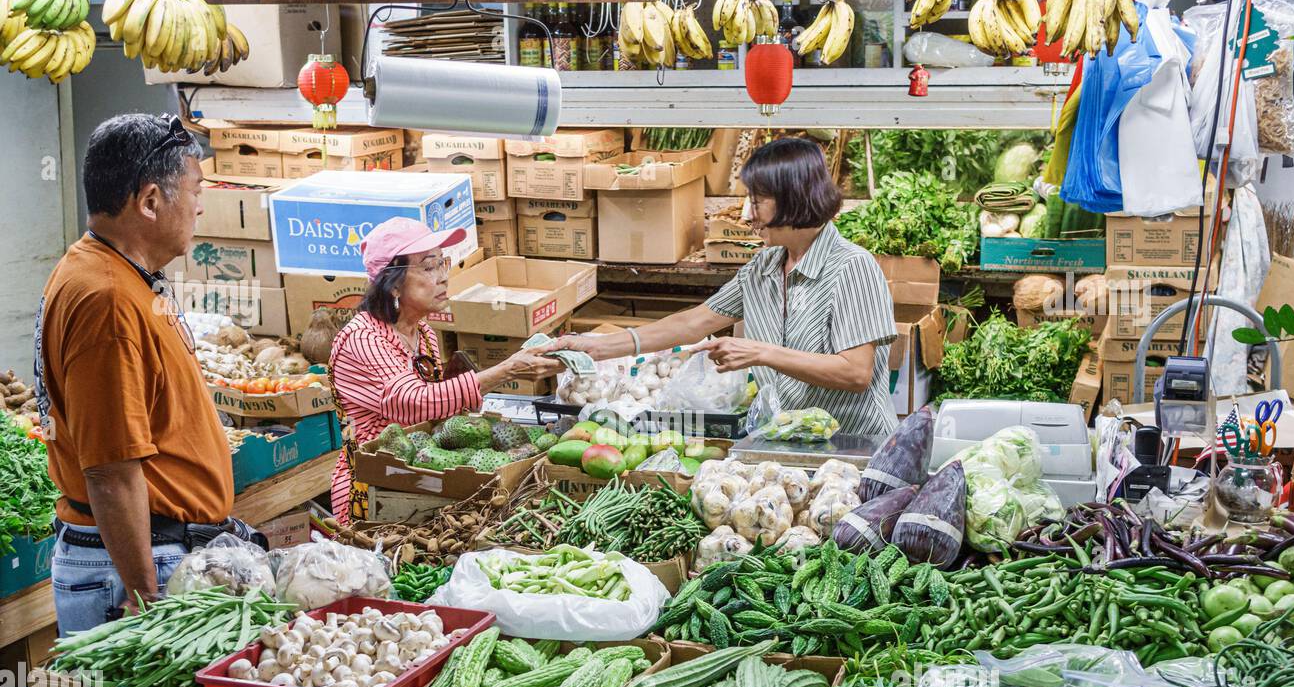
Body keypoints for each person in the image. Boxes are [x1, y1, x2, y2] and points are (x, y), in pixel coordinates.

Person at [36, 113, 255, 636]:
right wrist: (143, 597)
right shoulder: (107, 299)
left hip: (155, 555)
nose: (201, 206)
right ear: (151, 201)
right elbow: (110, 470)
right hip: (133, 571)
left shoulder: (115, 274)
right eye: (196, 190)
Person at [548, 137, 898, 437]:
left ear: (793, 199)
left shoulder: (852, 267)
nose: (747, 215)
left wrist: (760, 352)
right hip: (789, 438)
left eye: (757, 201)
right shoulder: (764, 267)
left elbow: (855, 372)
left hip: (854, 446)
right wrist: (595, 348)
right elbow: (690, 324)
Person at [328, 217, 557, 523]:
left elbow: (436, 408)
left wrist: (466, 403)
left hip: (420, 477)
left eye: (442, 263)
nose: (443, 277)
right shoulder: (364, 339)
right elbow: (411, 403)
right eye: (428, 266)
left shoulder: (422, 332)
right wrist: (506, 371)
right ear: (393, 283)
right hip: (374, 488)